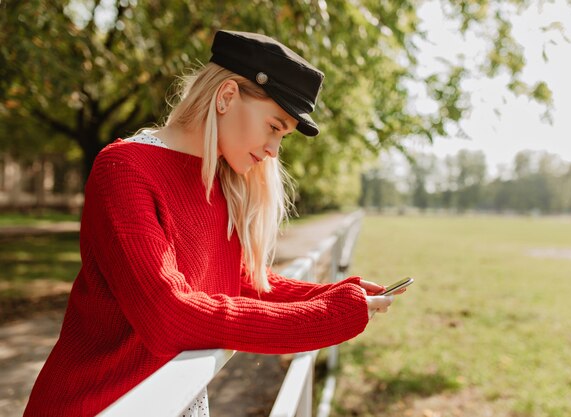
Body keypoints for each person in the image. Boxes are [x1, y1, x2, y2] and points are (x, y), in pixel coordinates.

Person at [24, 30, 403, 416]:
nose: (274, 151)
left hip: (172, 401)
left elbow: (238, 284)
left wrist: (339, 294)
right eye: (274, 127)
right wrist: (326, 317)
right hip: (100, 405)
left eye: (283, 137)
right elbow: (168, 315)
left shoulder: (219, 181)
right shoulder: (125, 169)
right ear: (226, 97)